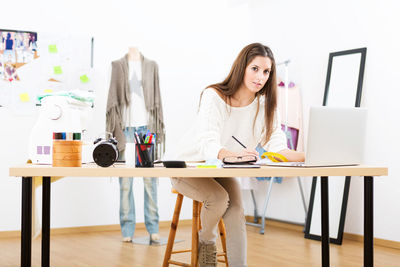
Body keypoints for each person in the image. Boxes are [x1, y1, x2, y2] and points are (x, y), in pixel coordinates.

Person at [172, 43, 305, 267]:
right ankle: (206, 244)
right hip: (189, 165)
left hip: (222, 169)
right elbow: (208, 143)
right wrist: (235, 155)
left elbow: (277, 146)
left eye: (266, 72)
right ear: (242, 67)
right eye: (255, 69)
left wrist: (308, 155)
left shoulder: (266, 105)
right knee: (218, 198)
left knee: (235, 211)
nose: (260, 77)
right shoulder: (213, 96)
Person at [106, 47, 165, 243]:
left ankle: (153, 228)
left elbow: (157, 99)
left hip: (146, 129)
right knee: (125, 183)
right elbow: (112, 100)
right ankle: (127, 229)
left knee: (150, 181)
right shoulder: (117, 66)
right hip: (125, 130)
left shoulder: (151, 66)